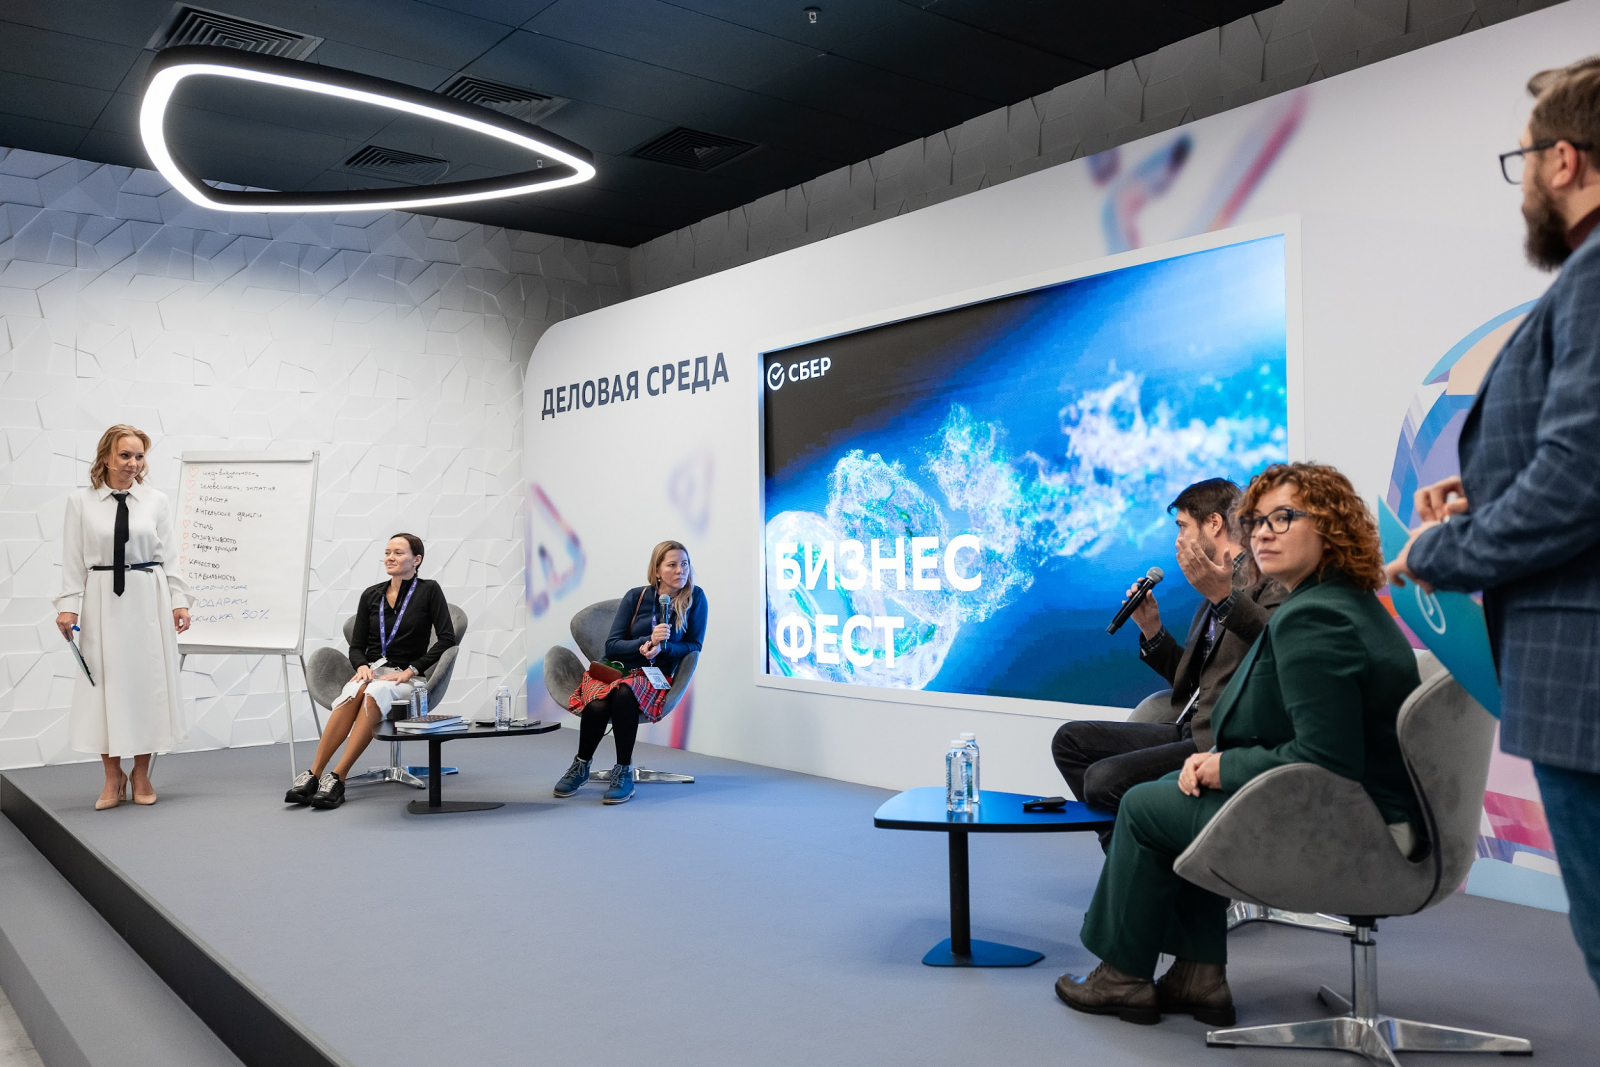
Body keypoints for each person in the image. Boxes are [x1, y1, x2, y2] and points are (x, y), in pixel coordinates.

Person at [1057, 463, 1422, 1027]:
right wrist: (1154, 632)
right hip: (1353, 801)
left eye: (1284, 518)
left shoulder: (1310, 617)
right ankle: (1198, 975)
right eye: (1258, 521)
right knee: (1160, 792)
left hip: (1348, 820)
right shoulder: (1339, 602)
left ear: (1331, 525)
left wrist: (1223, 765)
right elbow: (1224, 690)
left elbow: (1325, 757)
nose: (1263, 533)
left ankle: (1124, 976)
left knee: (1144, 805)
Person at [1387, 56, 1600, 998]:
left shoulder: (1591, 278)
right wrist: (1489, 490)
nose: (1522, 190)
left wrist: (1440, 550)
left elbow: (1580, 477)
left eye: (1523, 162)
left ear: (1564, 160)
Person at [1053, 478, 1285, 844]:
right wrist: (1152, 630)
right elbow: (1195, 683)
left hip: (1221, 738)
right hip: (1190, 726)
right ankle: (1134, 858)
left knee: (1102, 779)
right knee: (1070, 741)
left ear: (1213, 523)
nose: (1177, 540)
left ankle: (1138, 863)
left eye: (1183, 527)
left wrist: (1224, 598)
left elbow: (1280, 644)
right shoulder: (1213, 589)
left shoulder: (1265, 581)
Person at [54, 425, 192, 809]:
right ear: (106, 456)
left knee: (147, 683)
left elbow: (170, 556)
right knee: (104, 684)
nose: (133, 463)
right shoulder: (81, 502)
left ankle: (141, 773)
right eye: (125, 455)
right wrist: (68, 605)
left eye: (139, 456)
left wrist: (179, 601)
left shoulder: (155, 501)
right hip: (102, 602)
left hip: (148, 597)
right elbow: (72, 558)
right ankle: (112, 775)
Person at [284, 533, 456, 810]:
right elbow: (356, 646)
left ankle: (338, 777)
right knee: (354, 690)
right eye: (387, 552)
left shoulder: (429, 590)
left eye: (398, 553)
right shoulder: (371, 595)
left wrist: (411, 670)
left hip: (407, 678)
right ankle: (314, 774)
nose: (390, 558)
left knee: (376, 691)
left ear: (416, 560)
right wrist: (362, 666)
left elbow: (447, 638)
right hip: (373, 673)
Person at [553, 540, 706, 805]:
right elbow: (612, 645)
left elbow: (694, 645)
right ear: (657, 571)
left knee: (624, 693)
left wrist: (664, 648)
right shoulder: (636, 597)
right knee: (598, 704)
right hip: (617, 669)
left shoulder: (696, 598)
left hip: (653, 675)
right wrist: (645, 643)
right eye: (672, 565)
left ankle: (623, 770)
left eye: (685, 564)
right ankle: (580, 765)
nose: (680, 570)